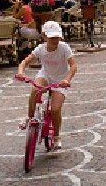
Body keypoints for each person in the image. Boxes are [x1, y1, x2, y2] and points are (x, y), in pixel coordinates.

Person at [17, 21, 78, 150]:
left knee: (55, 109)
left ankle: (56, 136)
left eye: (57, 37)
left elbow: (73, 66)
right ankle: (29, 117)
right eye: (51, 37)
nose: (55, 40)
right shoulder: (40, 49)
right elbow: (24, 62)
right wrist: (21, 72)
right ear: (44, 37)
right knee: (35, 90)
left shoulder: (64, 48)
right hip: (45, 75)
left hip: (61, 79)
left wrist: (67, 80)